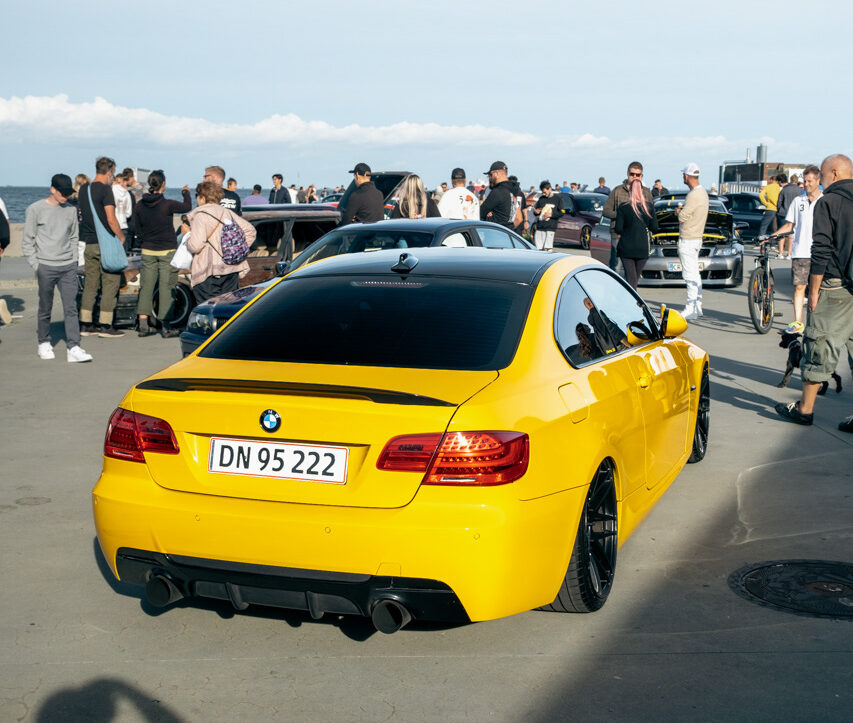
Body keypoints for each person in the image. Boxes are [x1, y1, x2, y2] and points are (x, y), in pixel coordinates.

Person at [775, 153, 853, 431]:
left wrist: (814, 291)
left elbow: (821, 249)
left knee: (817, 343)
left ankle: (805, 409)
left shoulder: (828, 202)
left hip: (835, 284)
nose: (820, 180)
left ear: (833, 173)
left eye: (821, 174)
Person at [22, 174, 93, 362]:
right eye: (63, 193)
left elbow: (73, 237)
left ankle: (74, 347)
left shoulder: (70, 209)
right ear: (52, 189)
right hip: (45, 265)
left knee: (71, 307)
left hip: (67, 266)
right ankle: (43, 343)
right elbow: (28, 240)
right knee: (45, 307)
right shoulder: (35, 209)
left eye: (68, 193)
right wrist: (36, 265)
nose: (66, 197)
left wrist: (73, 261)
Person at [133, 170, 192, 338]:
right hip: (167, 250)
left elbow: (137, 229)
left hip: (147, 250)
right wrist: (186, 193)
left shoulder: (139, 205)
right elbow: (187, 207)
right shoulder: (167, 205)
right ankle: (166, 326)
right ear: (163, 185)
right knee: (167, 287)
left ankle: (143, 323)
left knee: (146, 286)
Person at [79, 156, 126, 338]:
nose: (113, 177)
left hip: (89, 243)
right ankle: (106, 326)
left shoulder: (85, 189)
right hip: (105, 244)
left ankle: (85, 324)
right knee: (110, 283)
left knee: (90, 284)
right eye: (113, 174)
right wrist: (120, 237)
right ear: (109, 171)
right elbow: (111, 219)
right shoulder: (106, 190)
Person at [186, 181, 255, 302]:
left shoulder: (201, 215)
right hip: (231, 268)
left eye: (197, 195)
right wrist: (235, 250)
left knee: (208, 309)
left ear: (202, 197)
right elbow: (250, 231)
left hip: (209, 271)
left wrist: (187, 239)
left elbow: (196, 245)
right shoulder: (226, 212)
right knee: (228, 307)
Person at [774, 166, 821, 335]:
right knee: (799, 287)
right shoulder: (797, 201)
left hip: (819, 252)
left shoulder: (825, 201)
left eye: (810, 181)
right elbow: (789, 225)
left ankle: (816, 324)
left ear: (818, 181)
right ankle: (798, 322)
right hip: (800, 251)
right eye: (805, 181)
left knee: (819, 290)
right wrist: (772, 235)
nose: (806, 184)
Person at [603, 162, 653, 270]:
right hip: (619, 234)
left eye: (638, 175)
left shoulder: (647, 192)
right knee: (616, 267)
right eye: (632, 174)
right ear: (627, 174)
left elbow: (651, 214)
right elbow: (606, 211)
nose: (635, 177)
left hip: (638, 236)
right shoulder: (617, 190)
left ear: (642, 176)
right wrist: (622, 216)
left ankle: (630, 287)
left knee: (633, 271)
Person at [676, 162, 709, 320]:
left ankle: (690, 307)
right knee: (695, 274)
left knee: (689, 275)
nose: (683, 176)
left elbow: (682, 217)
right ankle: (697, 306)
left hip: (688, 239)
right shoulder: (703, 193)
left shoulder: (693, 195)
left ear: (687, 176)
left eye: (684, 174)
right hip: (697, 238)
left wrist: (678, 212)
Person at [614, 177, 659, 289]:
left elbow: (618, 229)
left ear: (630, 190)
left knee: (630, 277)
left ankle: (630, 302)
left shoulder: (623, 208)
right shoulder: (649, 207)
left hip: (626, 246)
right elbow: (654, 227)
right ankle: (633, 301)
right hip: (642, 247)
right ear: (642, 190)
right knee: (635, 278)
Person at [479, 161, 516, 229]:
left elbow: (480, 213)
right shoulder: (513, 189)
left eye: (490, 175)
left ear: (496, 173)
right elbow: (517, 217)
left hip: (497, 234)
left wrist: (488, 217)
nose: (489, 178)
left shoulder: (498, 191)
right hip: (509, 232)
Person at [776, 173, 802, 259]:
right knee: (791, 235)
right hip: (795, 214)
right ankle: (789, 254)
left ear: (790, 180)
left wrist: (779, 210)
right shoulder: (800, 190)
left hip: (783, 213)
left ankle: (780, 253)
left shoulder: (784, 190)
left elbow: (779, 202)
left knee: (781, 233)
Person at [532, 181, 563, 250]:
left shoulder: (558, 199)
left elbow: (562, 212)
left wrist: (551, 215)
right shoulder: (541, 199)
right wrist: (536, 212)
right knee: (538, 248)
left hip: (550, 227)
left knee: (548, 248)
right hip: (540, 227)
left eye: (545, 192)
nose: (543, 194)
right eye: (542, 192)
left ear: (550, 189)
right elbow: (536, 211)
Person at [112, 169, 133, 252]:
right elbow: (129, 213)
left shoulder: (111, 190)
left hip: (112, 225)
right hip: (123, 225)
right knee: (122, 253)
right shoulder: (127, 194)